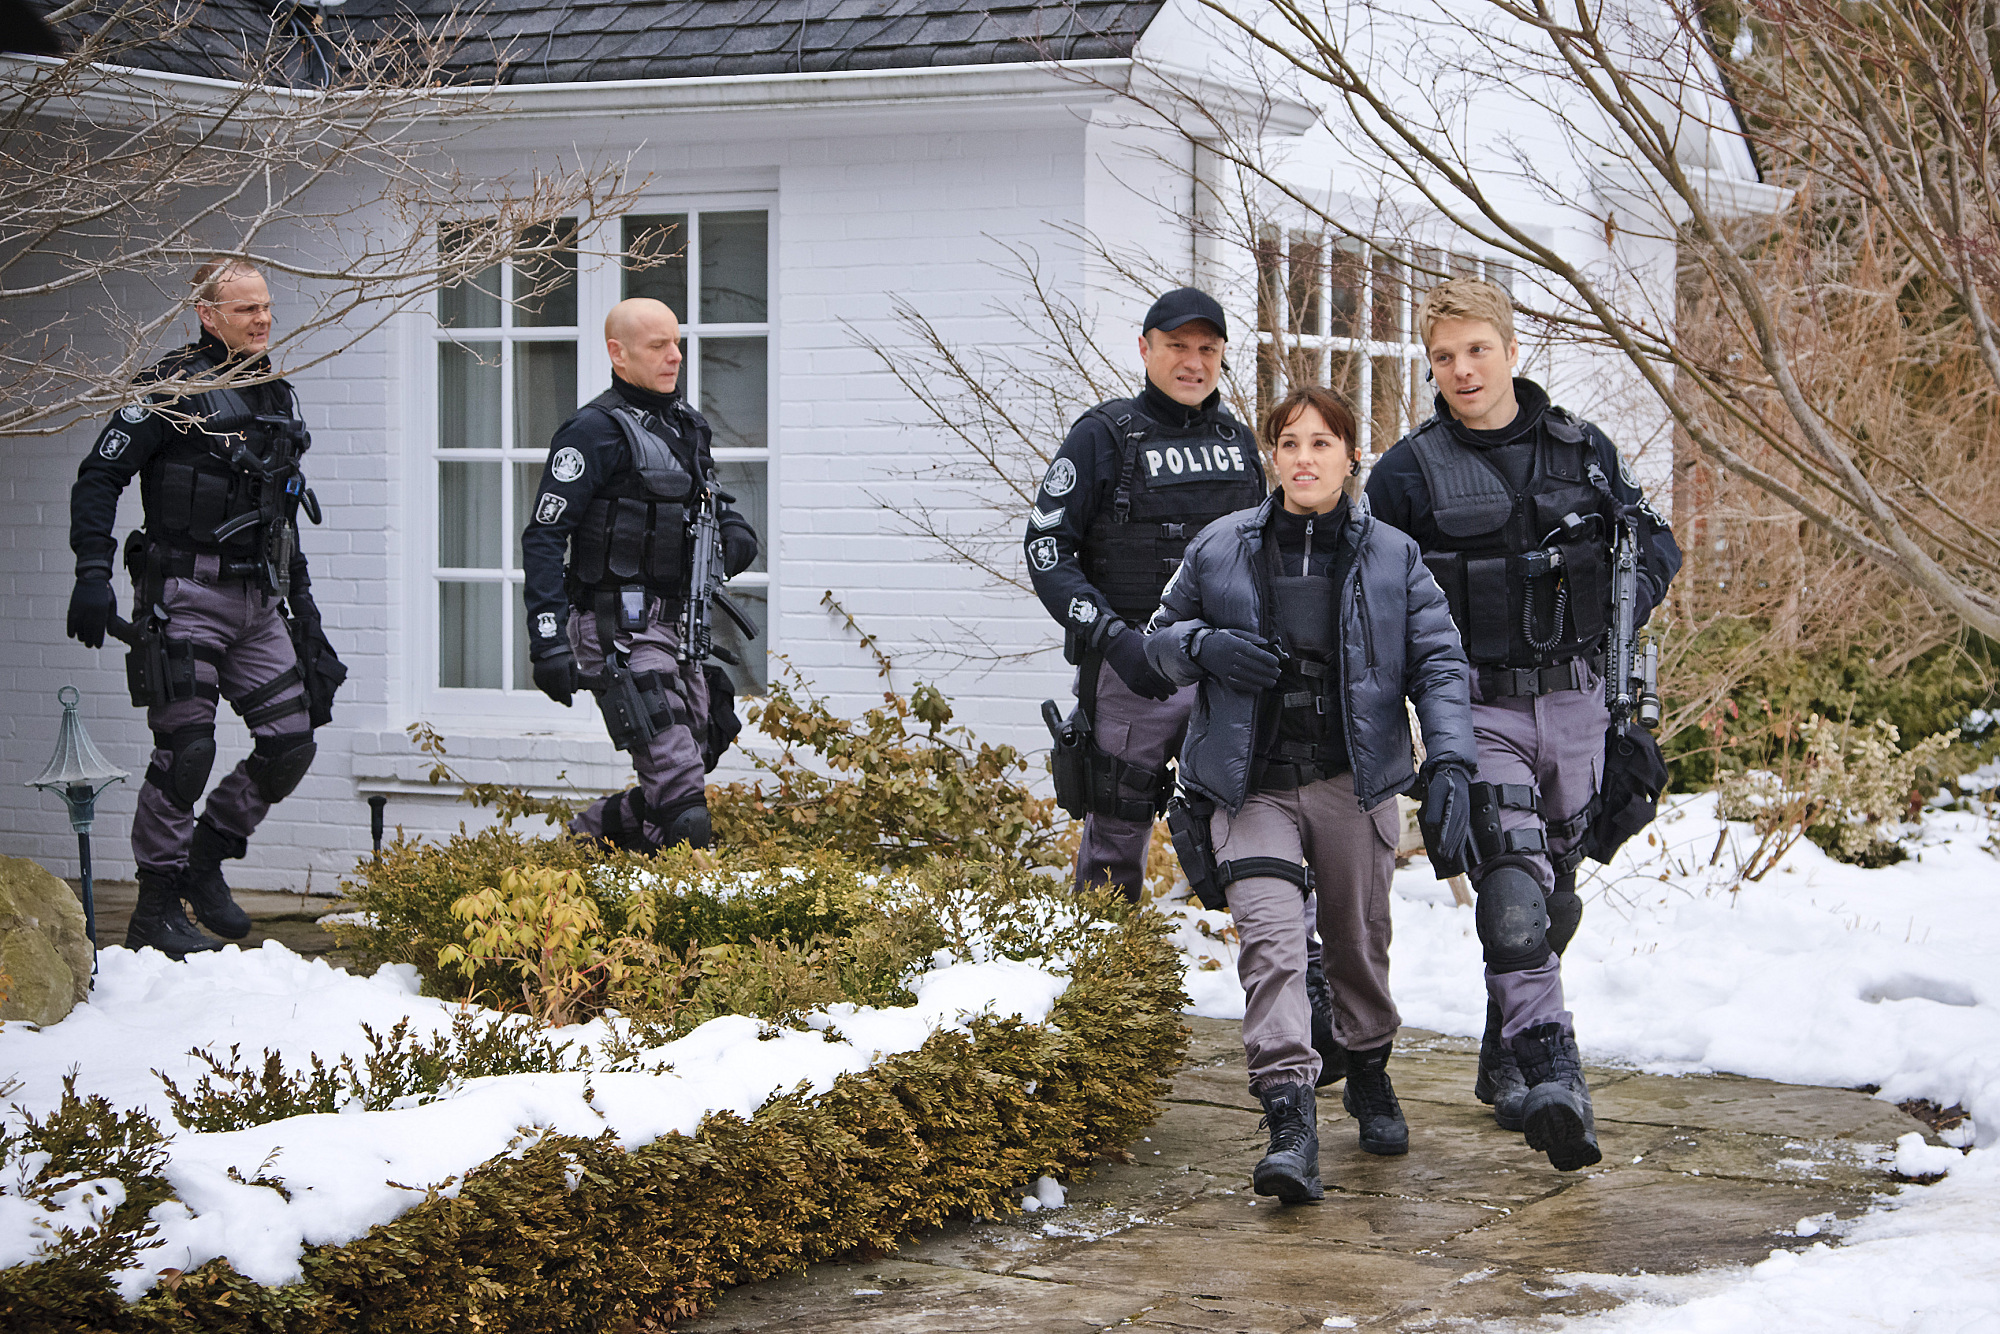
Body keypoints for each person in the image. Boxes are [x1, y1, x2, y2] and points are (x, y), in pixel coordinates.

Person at [1366, 278, 1682, 1172]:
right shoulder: (1405, 473)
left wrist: (1623, 604)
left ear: (1510, 349)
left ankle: (1505, 1045)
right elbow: (1371, 601)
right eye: (1443, 358)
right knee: (1510, 893)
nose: (1462, 371)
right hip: (1475, 704)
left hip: (1579, 699)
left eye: (1477, 350)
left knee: (1555, 895)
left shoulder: (1582, 452)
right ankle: (1555, 1075)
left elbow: (1654, 541)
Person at [1145, 384, 1477, 1203]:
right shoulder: (1220, 546)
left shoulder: (1394, 556)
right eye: (1289, 443)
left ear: (1350, 455)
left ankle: (1367, 1070)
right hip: (1249, 785)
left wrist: (1451, 763)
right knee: (1270, 943)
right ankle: (1290, 1119)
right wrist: (1207, 645)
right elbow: (1157, 644)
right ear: (1272, 455)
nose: (1303, 458)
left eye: (1321, 443)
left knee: (1357, 943)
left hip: (1352, 780)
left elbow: (1439, 663)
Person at [67, 259, 344, 959]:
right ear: (208, 316)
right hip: (184, 594)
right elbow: (101, 475)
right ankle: (154, 910)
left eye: (267, 307)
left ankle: (206, 855)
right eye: (245, 309)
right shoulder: (169, 390)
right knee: (186, 750)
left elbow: (282, 519)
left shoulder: (275, 394)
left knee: (292, 740)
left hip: (258, 600)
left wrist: (306, 621)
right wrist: (92, 573)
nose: (262, 319)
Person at [521, 297, 759, 851]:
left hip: (681, 627)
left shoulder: (687, 425)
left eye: (677, 343)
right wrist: (548, 641)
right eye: (658, 346)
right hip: (617, 627)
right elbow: (545, 535)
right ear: (618, 353)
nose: (674, 357)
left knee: (692, 760)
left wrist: (733, 525)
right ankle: (688, 917)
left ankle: (582, 848)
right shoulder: (590, 432)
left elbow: (707, 498)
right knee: (683, 804)